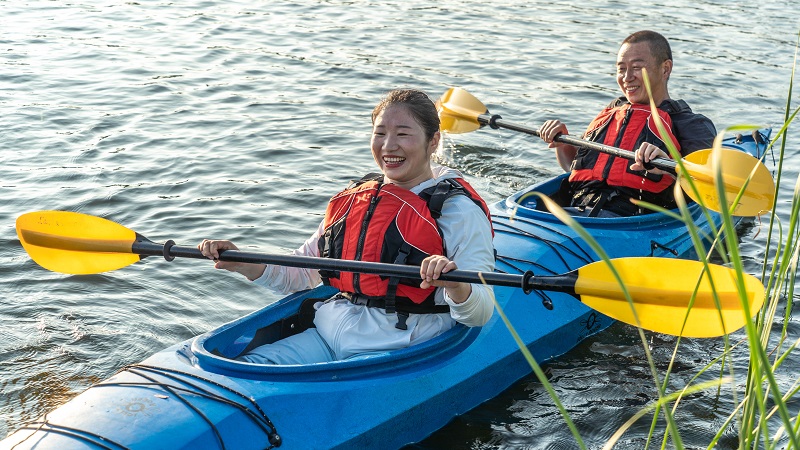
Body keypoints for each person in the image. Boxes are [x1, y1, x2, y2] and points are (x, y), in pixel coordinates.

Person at [198, 89, 495, 365]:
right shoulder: (359, 198)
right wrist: (242, 262)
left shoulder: (458, 211)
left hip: (399, 349)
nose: (389, 146)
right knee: (245, 368)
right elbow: (301, 273)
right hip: (327, 333)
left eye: (403, 134)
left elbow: (480, 313)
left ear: (433, 141)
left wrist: (454, 282)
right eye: (380, 133)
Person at [539, 30, 717, 217]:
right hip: (577, 211)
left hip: (632, 221)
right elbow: (573, 168)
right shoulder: (613, 111)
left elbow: (708, 189)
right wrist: (562, 143)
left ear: (665, 69)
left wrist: (669, 167)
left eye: (637, 67)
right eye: (621, 69)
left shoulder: (692, 125)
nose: (627, 77)